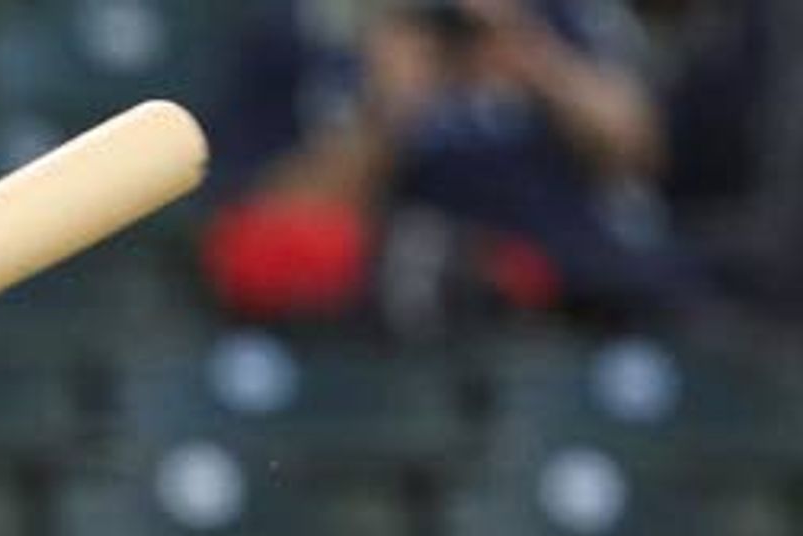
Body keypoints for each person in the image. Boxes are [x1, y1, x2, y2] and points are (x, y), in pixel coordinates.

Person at [204, 0, 692, 329]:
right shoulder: (304, 29)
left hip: (572, 290)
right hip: (389, 305)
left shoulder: (556, 16)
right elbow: (271, 225)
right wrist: (387, 112)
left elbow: (641, 152)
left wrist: (534, 58)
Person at [649, 0, 803, 319]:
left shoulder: (779, 25)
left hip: (762, 305)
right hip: (709, 260)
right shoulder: (731, 25)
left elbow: (780, 231)